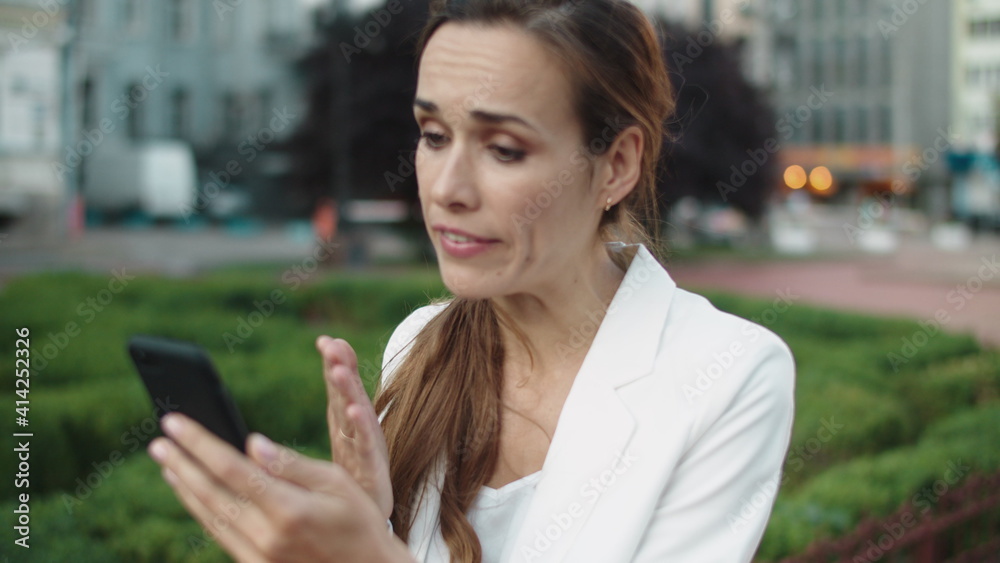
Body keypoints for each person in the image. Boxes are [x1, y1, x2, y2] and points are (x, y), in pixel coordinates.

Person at [147, 0, 796, 561]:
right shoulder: (419, 343)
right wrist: (371, 519)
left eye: (504, 149)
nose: (447, 189)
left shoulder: (730, 375)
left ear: (617, 164)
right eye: (433, 135)